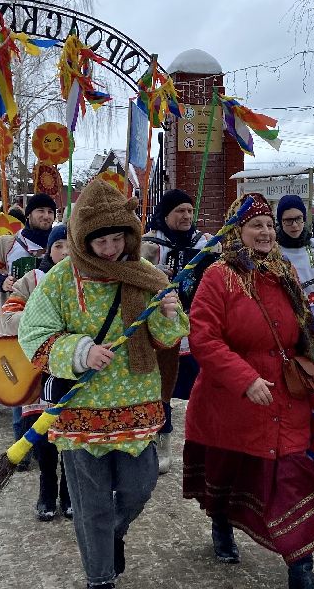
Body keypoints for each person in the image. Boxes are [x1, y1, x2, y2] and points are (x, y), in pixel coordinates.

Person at [18, 178, 188, 589]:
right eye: (100, 241)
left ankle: (112, 534)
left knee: (139, 488)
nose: (110, 249)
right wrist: (81, 352)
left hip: (138, 404)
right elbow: (33, 336)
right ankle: (99, 577)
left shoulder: (146, 274)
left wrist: (168, 314)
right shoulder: (61, 280)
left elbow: (168, 339)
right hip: (81, 410)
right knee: (90, 503)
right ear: (82, 239)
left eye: (117, 239)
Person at [183, 193, 314, 589]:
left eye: (268, 225)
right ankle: (221, 523)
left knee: (292, 477)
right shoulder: (219, 276)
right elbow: (204, 337)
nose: (265, 232)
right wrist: (244, 379)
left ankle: (301, 568)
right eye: (254, 225)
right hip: (232, 400)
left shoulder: (283, 272)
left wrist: (311, 372)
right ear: (236, 230)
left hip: (287, 395)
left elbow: (304, 328)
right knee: (228, 471)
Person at [0, 192, 57, 464]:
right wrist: (0, 281)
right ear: (29, 214)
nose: (46, 216)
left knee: (47, 388)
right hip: (16, 325)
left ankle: (48, 448)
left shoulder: (61, 243)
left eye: (50, 212)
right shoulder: (9, 244)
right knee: (20, 386)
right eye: (40, 211)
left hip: (51, 328)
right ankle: (20, 449)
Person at [140, 188, 217, 474]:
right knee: (162, 386)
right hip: (163, 325)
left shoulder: (205, 243)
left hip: (198, 323)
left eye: (189, 211)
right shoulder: (149, 244)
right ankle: (162, 438)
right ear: (166, 214)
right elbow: (136, 276)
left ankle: (206, 441)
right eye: (179, 211)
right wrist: (156, 276)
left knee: (204, 385)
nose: (186, 216)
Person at [0, 223, 73, 521]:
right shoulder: (32, 279)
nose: (65, 252)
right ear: (49, 250)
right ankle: (46, 488)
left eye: (70, 246)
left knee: (71, 432)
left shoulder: (86, 280)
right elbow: (9, 316)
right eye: (58, 246)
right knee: (42, 433)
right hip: (38, 368)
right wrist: (39, 322)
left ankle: (69, 492)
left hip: (72, 366)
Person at [275, 194, 314, 329]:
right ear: (280, 221)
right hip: (281, 322)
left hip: (311, 322)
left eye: (298, 218)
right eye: (288, 220)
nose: (294, 225)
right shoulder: (273, 250)